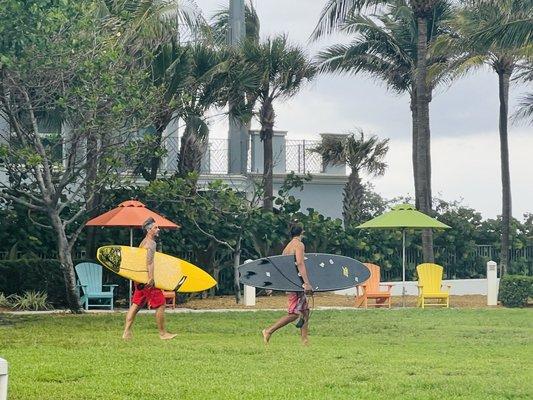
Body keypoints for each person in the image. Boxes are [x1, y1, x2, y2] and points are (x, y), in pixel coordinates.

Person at [122, 217, 177, 340]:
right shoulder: (151, 244)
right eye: (155, 228)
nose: (158, 229)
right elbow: (149, 262)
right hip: (147, 279)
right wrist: (151, 278)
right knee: (161, 304)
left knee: (136, 305)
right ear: (149, 230)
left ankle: (126, 332)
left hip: (139, 279)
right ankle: (163, 334)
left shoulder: (143, 242)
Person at [262, 221, 312, 345]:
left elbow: (283, 267)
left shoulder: (287, 247)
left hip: (291, 282)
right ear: (302, 232)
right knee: (294, 314)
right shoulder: (299, 245)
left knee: (305, 311)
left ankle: (304, 340)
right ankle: (268, 331)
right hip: (295, 284)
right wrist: (306, 283)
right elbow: (300, 263)